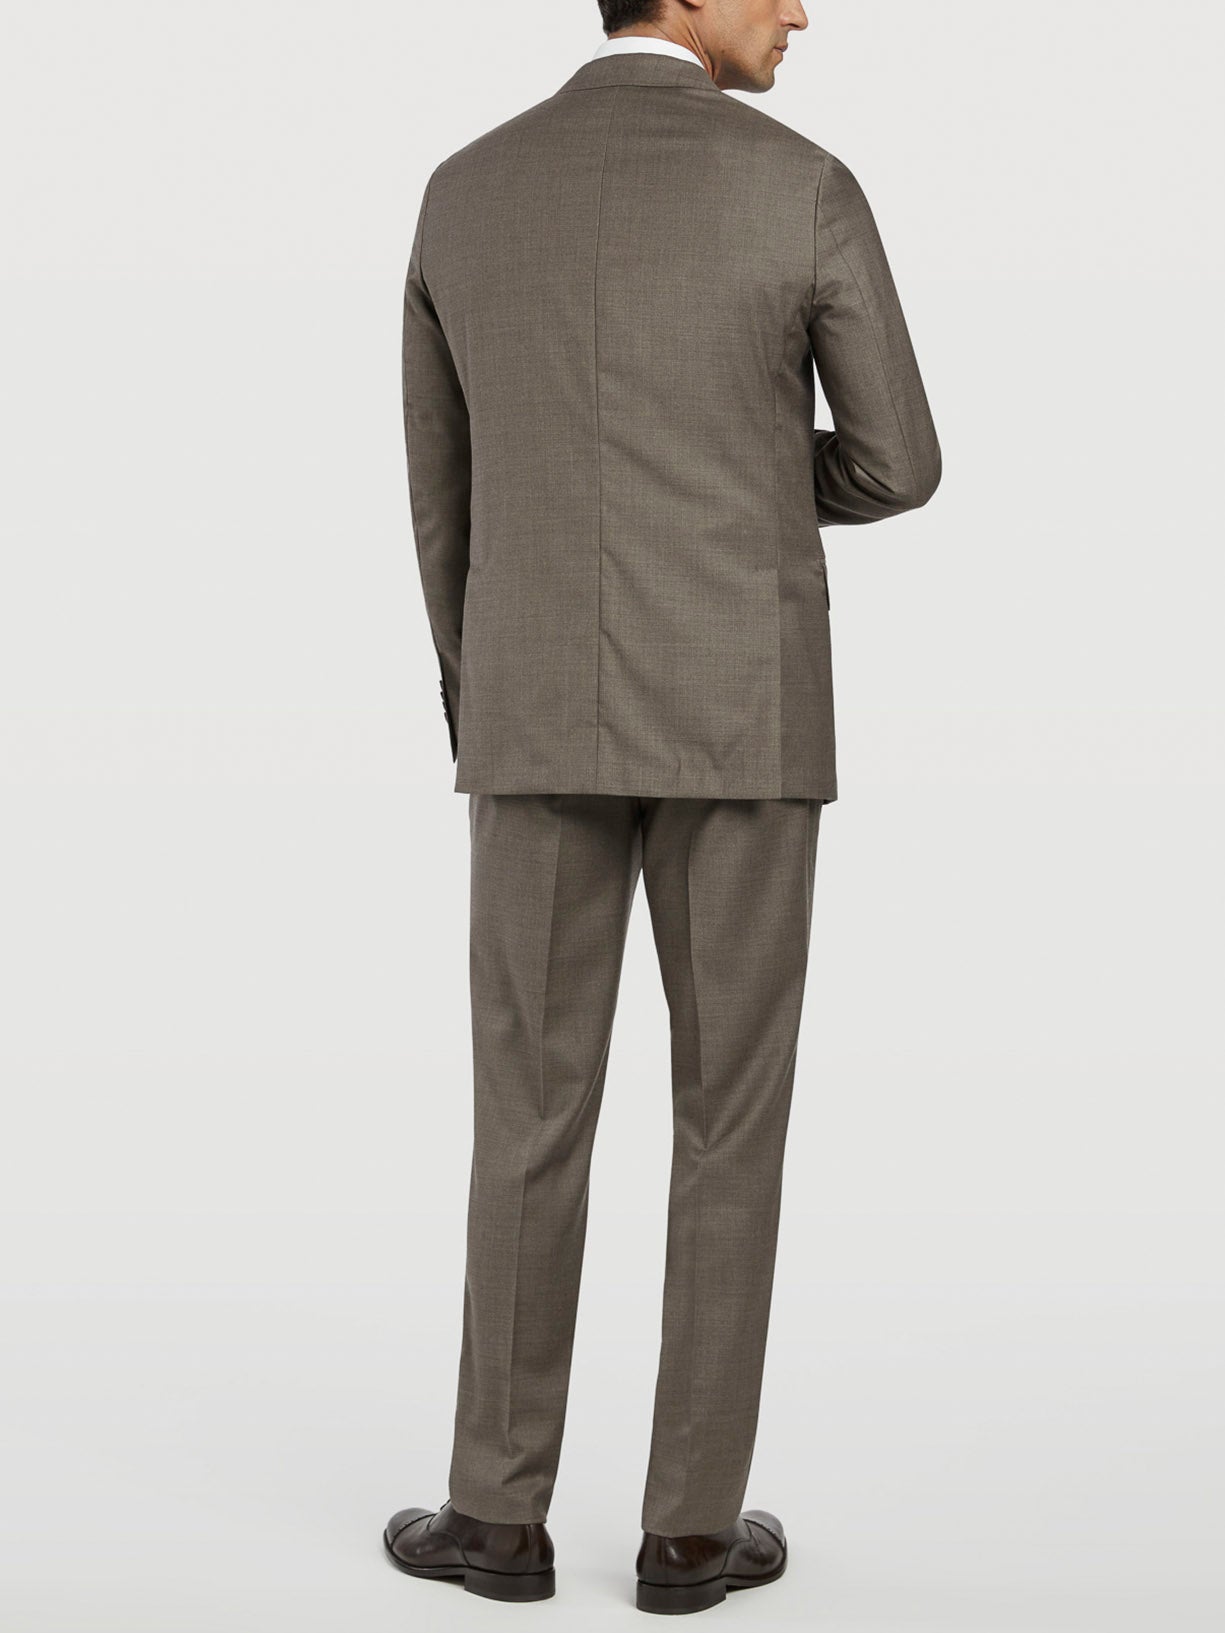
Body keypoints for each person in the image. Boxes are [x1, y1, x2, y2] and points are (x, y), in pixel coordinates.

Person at [385, 0, 940, 1613]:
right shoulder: (801, 185)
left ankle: (493, 1516)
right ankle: (690, 1530)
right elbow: (897, 461)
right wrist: (748, 476)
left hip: (532, 709)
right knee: (729, 1119)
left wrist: (481, 692)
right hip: (744, 714)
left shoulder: (466, 188)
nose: (799, 9)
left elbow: (441, 491)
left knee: (525, 1112)